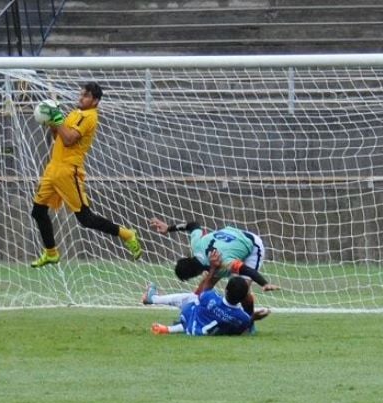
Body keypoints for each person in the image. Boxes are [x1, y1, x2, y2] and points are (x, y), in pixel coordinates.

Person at [30, 82, 142, 268]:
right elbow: (57, 137)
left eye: (86, 96)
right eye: (81, 94)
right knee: (38, 211)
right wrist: (51, 122)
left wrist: (57, 119)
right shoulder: (75, 113)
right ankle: (51, 253)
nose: (81, 98)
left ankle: (127, 234)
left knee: (85, 219)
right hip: (53, 169)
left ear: (95, 101)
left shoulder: (90, 117)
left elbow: (68, 140)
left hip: (68, 171)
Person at [149, 217, 278, 315]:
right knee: (200, 293)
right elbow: (194, 225)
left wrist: (264, 283)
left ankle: (249, 324)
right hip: (231, 238)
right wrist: (169, 228)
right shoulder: (196, 245)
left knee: (242, 290)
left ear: (196, 274)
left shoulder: (222, 262)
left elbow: (245, 269)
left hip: (252, 245)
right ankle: (193, 313)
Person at [150, 250, 258, 336]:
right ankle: (168, 327)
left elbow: (205, 288)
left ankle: (154, 299)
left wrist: (213, 268)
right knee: (210, 318)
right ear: (243, 298)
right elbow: (245, 327)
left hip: (189, 316)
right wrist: (253, 315)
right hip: (202, 330)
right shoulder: (241, 317)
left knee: (194, 300)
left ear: (226, 290)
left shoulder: (212, 297)